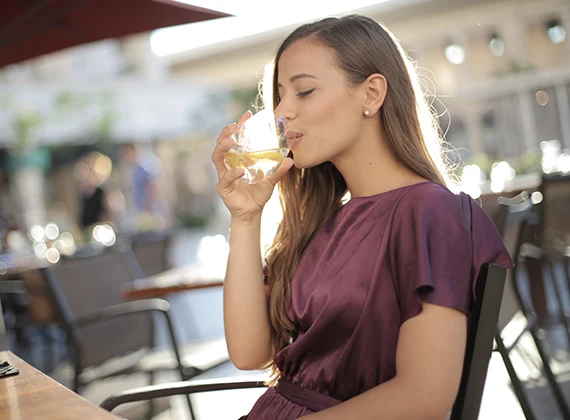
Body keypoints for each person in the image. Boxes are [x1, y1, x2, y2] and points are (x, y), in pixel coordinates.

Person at [211, 15, 513, 420]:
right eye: (280, 96)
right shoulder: (323, 220)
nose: (283, 112)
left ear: (371, 93)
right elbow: (249, 353)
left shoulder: (430, 212)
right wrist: (246, 218)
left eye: (304, 91)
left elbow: (424, 396)